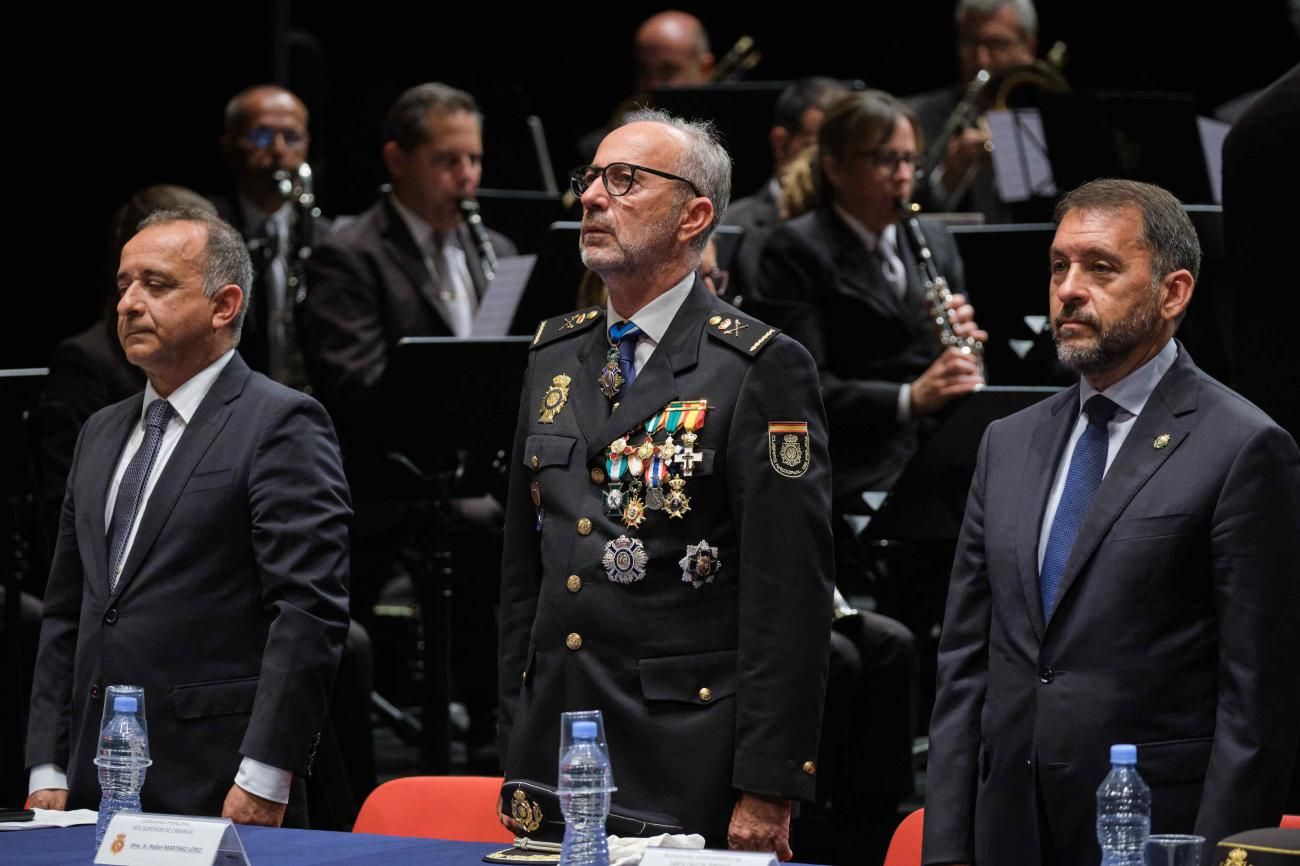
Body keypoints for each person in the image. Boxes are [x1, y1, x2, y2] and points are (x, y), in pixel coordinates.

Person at [923, 179, 1300, 866]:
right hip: (1008, 827)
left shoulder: (1242, 447)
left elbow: (1257, 704)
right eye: (1058, 266)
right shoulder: (1006, 442)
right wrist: (945, 849)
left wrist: (1219, 858)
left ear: (1172, 293)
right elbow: (964, 672)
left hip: (1156, 830)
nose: (1068, 289)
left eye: (1100, 268)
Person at [498, 109, 834, 857]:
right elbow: (526, 569)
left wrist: (770, 781)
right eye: (591, 179)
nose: (591, 198)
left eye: (626, 181)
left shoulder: (756, 367)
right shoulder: (553, 355)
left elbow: (789, 596)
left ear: (695, 216)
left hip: (688, 749)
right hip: (557, 743)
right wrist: (512, 725)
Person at [26, 207, 352, 826]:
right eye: (123, 285)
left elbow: (307, 611)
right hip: (92, 782)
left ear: (224, 305)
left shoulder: (280, 421)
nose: (128, 303)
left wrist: (265, 773)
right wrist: (47, 763)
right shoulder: (100, 430)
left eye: (156, 284)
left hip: (220, 779)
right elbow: (68, 609)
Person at [301, 81, 516, 416]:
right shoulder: (347, 255)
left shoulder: (501, 251)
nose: (467, 176)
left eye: (474, 159)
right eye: (448, 161)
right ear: (396, 160)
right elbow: (356, 387)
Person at [215, 84, 325, 386]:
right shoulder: (208, 231)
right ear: (230, 144)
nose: (278, 150)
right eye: (260, 136)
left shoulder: (327, 238)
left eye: (291, 137)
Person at [906, 0, 1041, 222]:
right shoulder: (919, 116)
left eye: (996, 44)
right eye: (969, 42)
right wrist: (947, 180)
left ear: (1029, 48)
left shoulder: (1046, 115)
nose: (981, 59)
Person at [725, 77, 848, 301]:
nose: (832, 165)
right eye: (817, 147)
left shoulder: (860, 223)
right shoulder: (735, 224)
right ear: (780, 142)